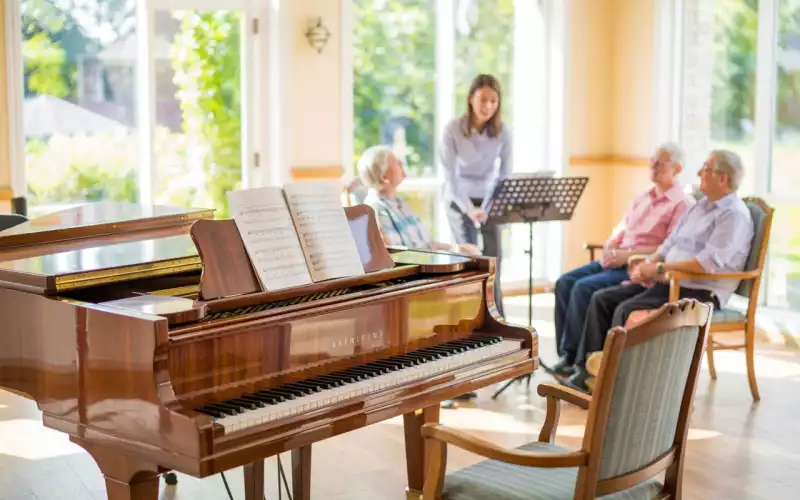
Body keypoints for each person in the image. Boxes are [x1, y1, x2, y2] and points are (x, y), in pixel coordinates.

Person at [562, 149, 754, 393]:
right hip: (669, 280)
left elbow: (705, 264)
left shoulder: (733, 215)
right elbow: (668, 244)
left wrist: (660, 268)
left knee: (625, 309)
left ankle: (617, 385)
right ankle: (586, 372)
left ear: (722, 178)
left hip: (700, 290)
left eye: (705, 168)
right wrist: (647, 264)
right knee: (602, 299)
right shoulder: (700, 206)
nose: (698, 173)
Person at [545, 143, 695, 379]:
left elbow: (669, 248)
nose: (652, 166)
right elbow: (622, 228)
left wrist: (627, 255)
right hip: (616, 258)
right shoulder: (642, 197)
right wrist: (611, 244)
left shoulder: (682, 204)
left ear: (677, 169)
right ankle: (567, 354)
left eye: (660, 162)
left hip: (638, 265)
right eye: (652, 160)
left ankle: (581, 361)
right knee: (564, 282)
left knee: (583, 288)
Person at [439, 74, 511, 316]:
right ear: (471, 99)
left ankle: (498, 317)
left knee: (493, 263)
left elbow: (504, 176)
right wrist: (470, 209)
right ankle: (469, 316)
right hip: (459, 199)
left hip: (489, 200)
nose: (488, 106)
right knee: (469, 259)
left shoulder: (503, 132)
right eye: (483, 100)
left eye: (494, 100)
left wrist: (490, 206)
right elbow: (451, 177)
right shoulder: (452, 130)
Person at [357, 144, 479, 254]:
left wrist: (455, 248)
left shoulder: (401, 205)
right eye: (396, 163)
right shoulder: (375, 212)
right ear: (384, 177)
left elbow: (426, 245)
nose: (402, 163)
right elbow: (399, 255)